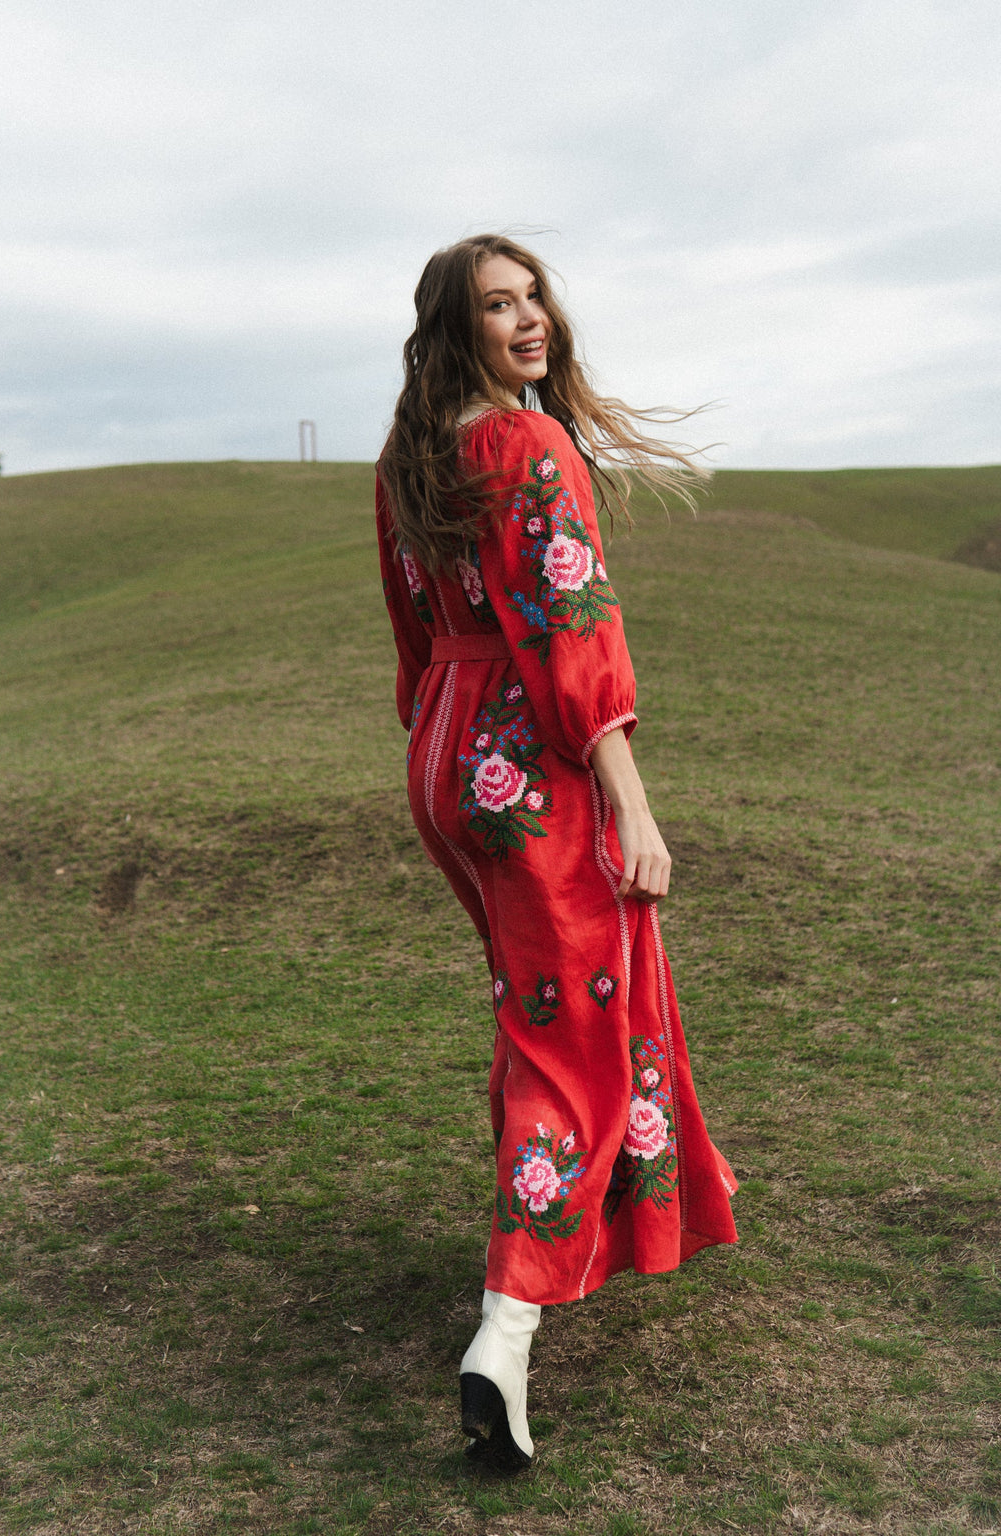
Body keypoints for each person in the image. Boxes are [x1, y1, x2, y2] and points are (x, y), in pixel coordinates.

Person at [376, 234, 737, 1472]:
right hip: (528, 766)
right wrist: (627, 801)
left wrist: (450, 734)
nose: (527, 318)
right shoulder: (526, 448)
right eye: (496, 305)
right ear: (454, 326)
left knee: (544, 1008)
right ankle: (510, 1319)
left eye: (532, 296)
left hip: (446, 758)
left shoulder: (410, 455)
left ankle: (574, 1240)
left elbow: (413, 628)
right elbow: (574, 632)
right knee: (574, 1032)